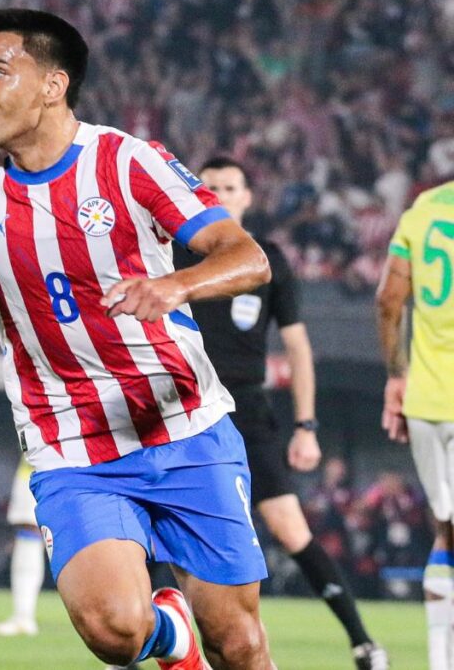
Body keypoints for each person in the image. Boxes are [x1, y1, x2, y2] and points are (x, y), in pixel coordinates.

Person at [0, 8, 275, 669]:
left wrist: (176, 286)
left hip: (184, 425)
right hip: (70, 445)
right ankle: (168, 633)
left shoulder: (128, 162)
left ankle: (189, 634)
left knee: (238, 643)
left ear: (53, 85)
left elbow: (247, 256)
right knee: (116, 630)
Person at [174, 158, 388, 669]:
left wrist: (307, 425)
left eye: (230, 186)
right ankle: (155, 642)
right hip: (186, 407)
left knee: (291, 527)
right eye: (210, 187)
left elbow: (297, 346)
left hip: (248, 409)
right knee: (172, 535)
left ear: (248, 197)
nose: (220, 194)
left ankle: (362, 642)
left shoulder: (265, 260)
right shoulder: (173, 253)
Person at [377, 179, 454, 670]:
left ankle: (439, 659)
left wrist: (397, 377)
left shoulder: (423, 209)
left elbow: (389, 301)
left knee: (445, 528)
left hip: (428, 401)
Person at [0, 455, 46, 637]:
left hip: (40, 466)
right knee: (27, 537)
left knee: (31, 534)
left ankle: (24, 618)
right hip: (33, 466)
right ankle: (22, 615)